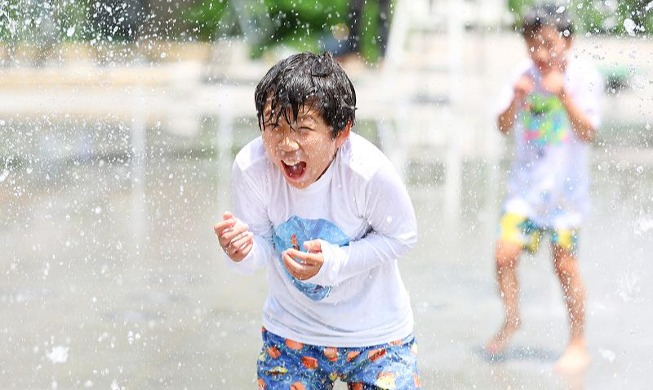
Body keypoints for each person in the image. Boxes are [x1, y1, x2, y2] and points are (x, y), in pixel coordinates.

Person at [213, 51, 421, 389]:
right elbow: (260, 248)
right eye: (273, 126)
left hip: (378, 338)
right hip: (292, 336)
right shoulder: (252, 168)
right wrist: (241, 250)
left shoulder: (368, 172)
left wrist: (336, 261)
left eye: (303, 129)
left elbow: (403, 236)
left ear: (341, 132)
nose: (286, 144)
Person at [486, 3, 603, 373]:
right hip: (525, 193)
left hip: (566, 198)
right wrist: (517, 100)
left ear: (567, 43)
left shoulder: (584, 78)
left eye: (548, 44)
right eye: (532, 44)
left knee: (565, 265)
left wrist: (564, 94)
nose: (540, 53)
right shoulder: (520, 76)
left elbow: (588, 133)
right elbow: (502, 126)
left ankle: (577, 340)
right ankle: (512, 318)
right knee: (504, 255)